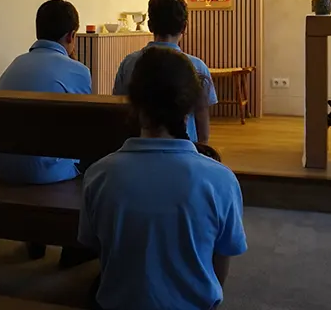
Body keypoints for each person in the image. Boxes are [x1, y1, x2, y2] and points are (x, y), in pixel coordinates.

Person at [81, 46, 247, 310]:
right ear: (190, 105)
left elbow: (100, 249)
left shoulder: (99, 175)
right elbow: (220, 264)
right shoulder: (221, 180)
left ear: (133, 103)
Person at [0, 0, 93, 265]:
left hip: (4, 167)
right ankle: (79, 242)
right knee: (100, 157)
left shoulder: (13, 66)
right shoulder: (77, 70)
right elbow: (89, 126)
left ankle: (37, 238)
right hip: (47, 172)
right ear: (71, 36)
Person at [113, 0, 215, 143]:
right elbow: (202, 117)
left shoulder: (129, 63)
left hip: (137, 145)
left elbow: (120, 108)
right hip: (184, 148)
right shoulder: (197, 67)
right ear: (184, 27)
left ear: (150, 25)